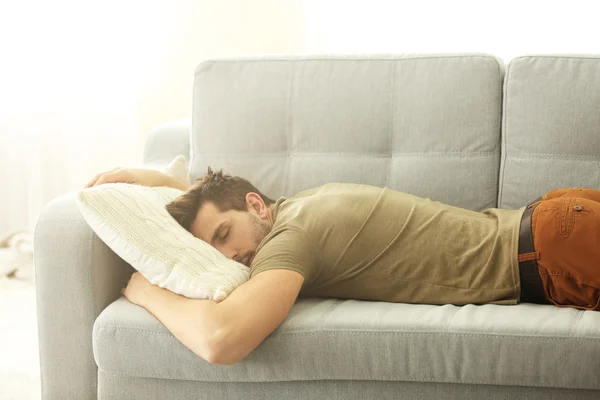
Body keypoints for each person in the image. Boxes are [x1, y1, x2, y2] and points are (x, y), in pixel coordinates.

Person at [85, 167, 600, 365]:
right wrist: (154, 180)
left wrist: (146, 292)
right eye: (213, 250)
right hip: (554, 225)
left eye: (225, 237)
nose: (230, 257)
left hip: (556, 249)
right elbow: (221, 202)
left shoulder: (293, 239)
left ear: (258, 206)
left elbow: (222, 341)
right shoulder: (298, 206)